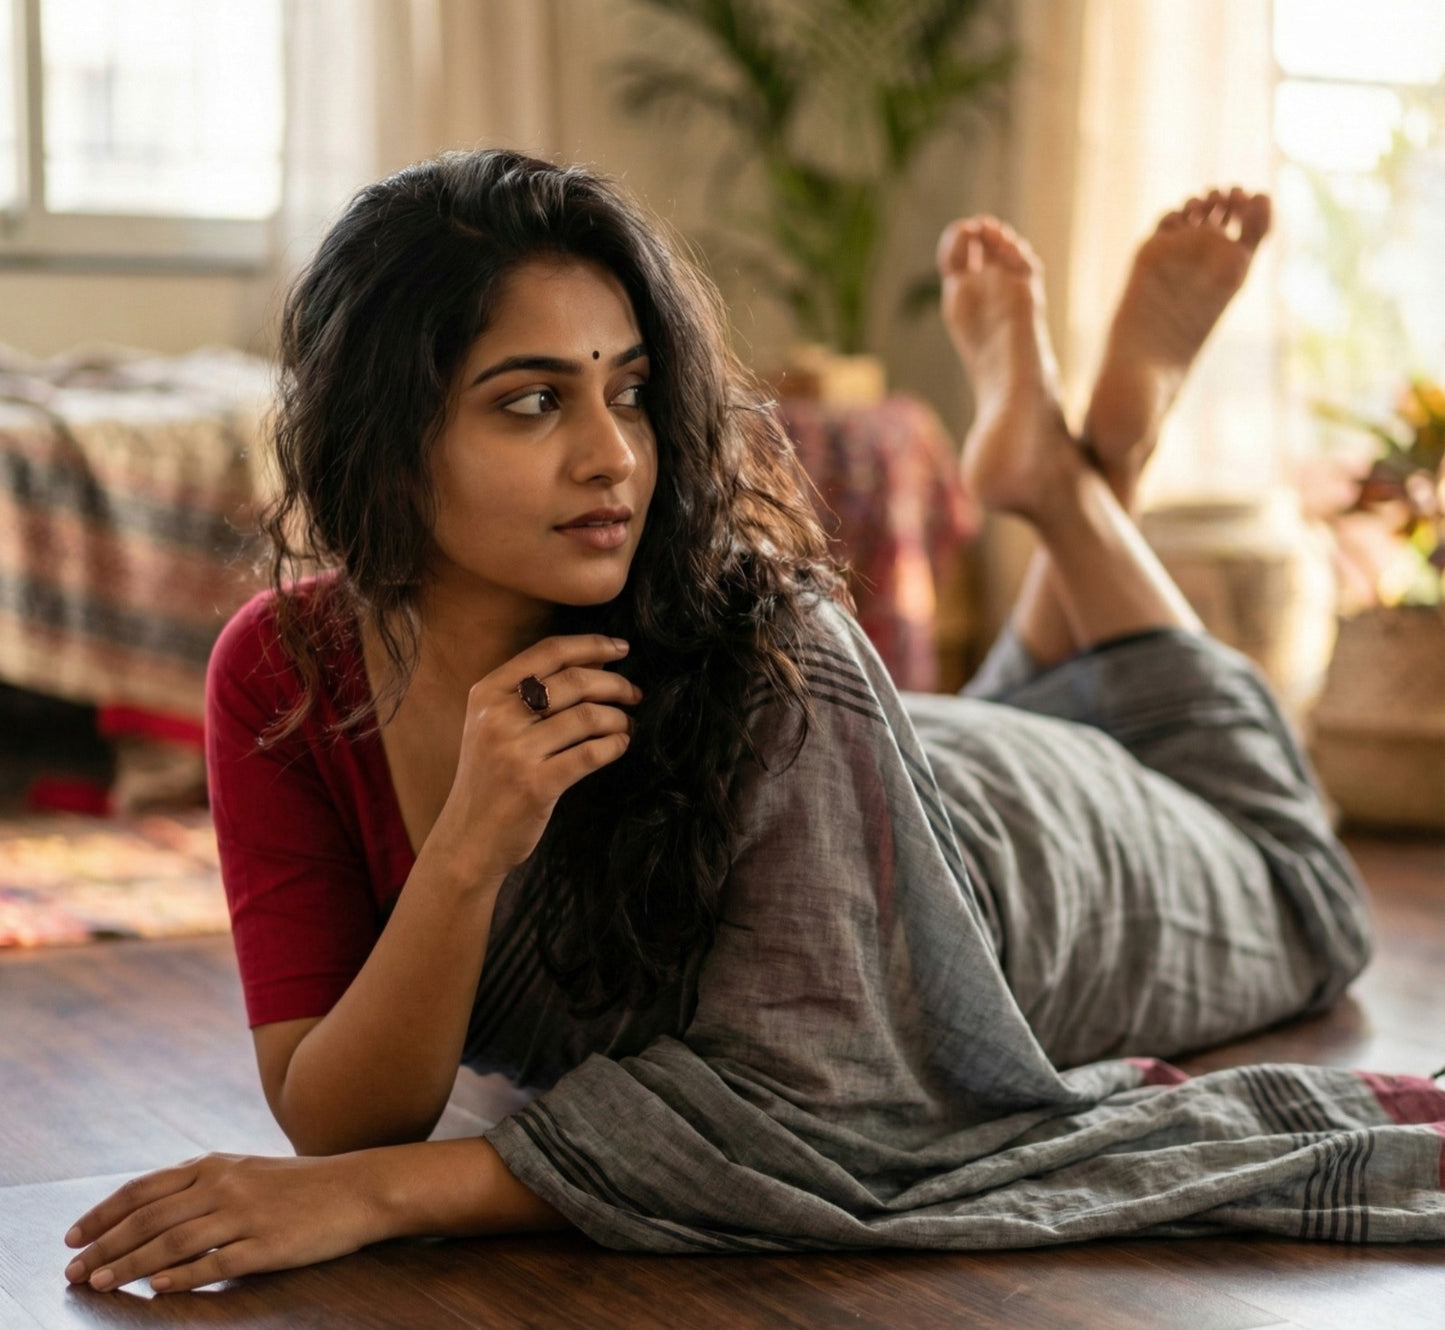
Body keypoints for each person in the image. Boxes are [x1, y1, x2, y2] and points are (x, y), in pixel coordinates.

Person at [62, 152, 1442, 1295]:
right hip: (905, 758)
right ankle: (1080, 472)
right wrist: (474, 842)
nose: (613, 455)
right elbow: (333, 1107)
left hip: (1020, 867)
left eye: (630, 390)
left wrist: (383, 1198)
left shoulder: (765, 641)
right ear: (384, 438)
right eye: (532, 402)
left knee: (1300, 885)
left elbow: (820, 1097)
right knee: (1045, 741)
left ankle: (1080, 482)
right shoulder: (287, 677)